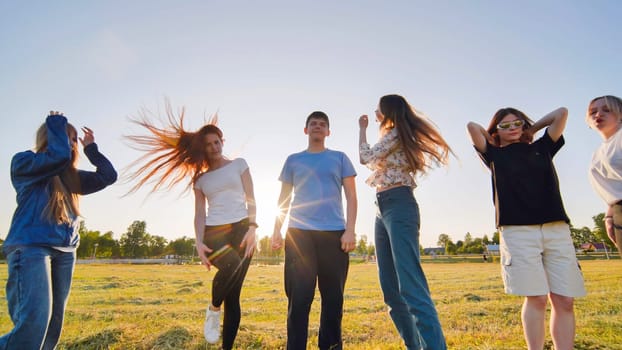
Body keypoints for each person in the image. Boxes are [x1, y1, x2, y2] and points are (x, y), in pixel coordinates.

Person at [125, 103, 256, 349]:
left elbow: (251, 198)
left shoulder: (240, 164)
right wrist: (198, 242)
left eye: (216, 142)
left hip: (242, 228)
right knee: (232, 265)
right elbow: (198, 214)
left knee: (234, 295)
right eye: (208, 144)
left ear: (222, 141)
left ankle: (226, 345)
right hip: (215, 232)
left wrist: (252, 228)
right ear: (203, 148)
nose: (213, 147)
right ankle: (213, 308)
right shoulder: (201, 179)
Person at [467, 106, 586, 350]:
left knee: (564, 300)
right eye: (505, 125)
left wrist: (532, 129)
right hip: (518, 232)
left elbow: (561, 113)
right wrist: (494, 137)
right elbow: (472, 127)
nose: (512, 128)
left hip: (556, 229)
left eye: (516, 123)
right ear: (496, 131)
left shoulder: (542, 147)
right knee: (537, 298)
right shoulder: (493, 156)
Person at [0, 111, 117, 349]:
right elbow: (58, 157)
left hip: (65, 252)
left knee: (52, 328)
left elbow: (108, 176)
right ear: (50, 137)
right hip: (31, 248)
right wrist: (57, 123)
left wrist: (91, 149)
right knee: (33, 326)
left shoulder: (72, 178)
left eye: (74, 139)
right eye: (67, 138)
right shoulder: (24, 163)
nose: (72, 144)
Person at [358, 94, 449, 350]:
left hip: (399, 206)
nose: (375, 112)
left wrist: (362, 129)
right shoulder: (392, 137)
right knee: (390, 290)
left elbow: (365, 157)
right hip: (382, 207)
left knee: (411, 287)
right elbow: (374, 161)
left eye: (378, 109)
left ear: (387, 112)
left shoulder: (396, 133)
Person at [271, 111, 357, 350]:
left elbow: (351, 196)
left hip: (334, 234)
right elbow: (284, 198)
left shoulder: (340, 158)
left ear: (328, 132)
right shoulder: (293, 160)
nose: (318, 127)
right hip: (299, 234)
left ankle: (330, 346)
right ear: (306, 130)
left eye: (322, 124)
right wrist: (277, 229)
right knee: (299, 299)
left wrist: (350, 230)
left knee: (333, 299)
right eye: (313, 124)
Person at [586, 95, 622, 258]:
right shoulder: (599, 152)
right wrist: (609, 216)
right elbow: (613, 188)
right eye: (593, 112)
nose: (598, 115)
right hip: (617, 211)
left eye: (606, 110)